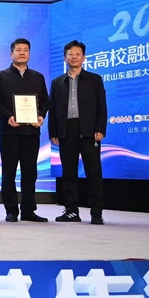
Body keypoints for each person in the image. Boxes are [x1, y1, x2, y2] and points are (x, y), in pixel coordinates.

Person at [0, 38, 49, 223]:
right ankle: (11, 210)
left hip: (31, 132)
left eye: (25, 50)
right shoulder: (1, 76)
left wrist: (41, 116)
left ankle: (28, 210)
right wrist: (8, 116)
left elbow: (45, 102)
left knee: (30, 172)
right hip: (9, 132)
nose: (22, 52)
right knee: (8, 172)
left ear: (29, 53)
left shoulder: (38, 77)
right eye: (18, 50)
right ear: (11, 54)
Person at [49, 40, 107, 225]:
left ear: (84, 58)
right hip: (66, 131)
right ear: (65, 58)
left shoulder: (94, 79)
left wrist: (100, 128)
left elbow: (102, 106)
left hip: (89, 131)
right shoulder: (57, 82)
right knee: (69, 172)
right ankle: (71, 211)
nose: (73, 57)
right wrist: (53, 132)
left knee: (94, 172)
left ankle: (96, 212)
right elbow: (53, 108)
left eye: (77, 54)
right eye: (70, 54)